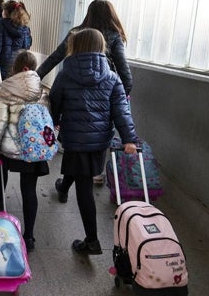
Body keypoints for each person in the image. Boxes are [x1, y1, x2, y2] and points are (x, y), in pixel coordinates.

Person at [48, 28, 138, 255]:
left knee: (84, 183)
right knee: (83, 172)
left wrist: (56, 120)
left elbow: (55, 100)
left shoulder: (65, 74)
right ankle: (62, 187)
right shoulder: (111, 77)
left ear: (74, 47)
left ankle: (91, 240)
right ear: (101, 48)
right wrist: (129, 139)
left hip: (75, 137)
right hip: (98, 141)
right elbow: (122, 111)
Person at [37, 0, 133, 185]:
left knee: (77, 147)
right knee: (94, 138)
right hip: (102, 99)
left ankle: (65, 186)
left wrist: (35, 76)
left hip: (75, 98)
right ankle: (95, 174)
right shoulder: (114, 36)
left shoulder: (76, 33)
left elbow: (56, 57)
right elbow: (126, 76)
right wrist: (115, 98)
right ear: (111, 15)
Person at [0, 51, 49, 252]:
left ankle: (0, 201)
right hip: (32, 148)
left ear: (19, 68)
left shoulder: (6, 89)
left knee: (1, 170)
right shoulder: (41, 89)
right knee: (29, 190)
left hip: (9, 148)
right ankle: (28, 237)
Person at [0, 0, 32, 80]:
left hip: (6, 60)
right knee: (18, 82)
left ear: (5, 12)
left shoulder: (0, 24)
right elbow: (27, 45)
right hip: (22, 58)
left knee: (6, 82)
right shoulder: (24, 25)